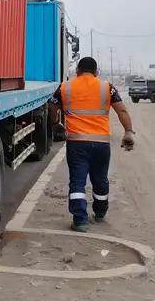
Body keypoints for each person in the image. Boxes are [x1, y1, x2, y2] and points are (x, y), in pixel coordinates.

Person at [48, 57, 135, 232]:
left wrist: (55, 124)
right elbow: (122, 110)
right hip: (101, 143)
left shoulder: (65, 87)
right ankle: (100, 213)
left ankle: (80, 221)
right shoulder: (107, 88)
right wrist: (128, 132)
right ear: (96, 72)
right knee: (100, 179)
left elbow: (52, 107)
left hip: (77, 143)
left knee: (77, 181)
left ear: (77, 71)